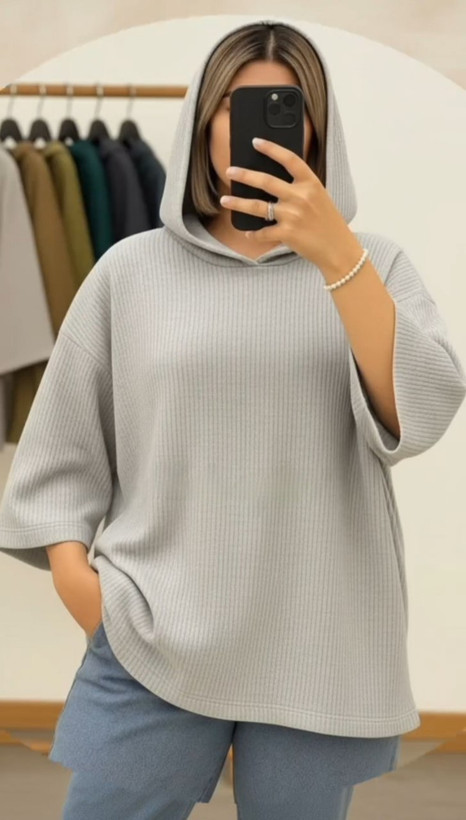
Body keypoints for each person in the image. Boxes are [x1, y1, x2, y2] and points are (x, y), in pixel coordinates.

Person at [1, 18, 465, 820]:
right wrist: (87, 594)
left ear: (317, 130)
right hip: (153, 634)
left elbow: (417, 416)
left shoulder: (376, 265)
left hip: (319, 643)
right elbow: (59, 453)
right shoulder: (130, 273)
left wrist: (336, 256)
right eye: (234, 106)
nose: (255, 128)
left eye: (288, 108)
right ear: (202, 120)